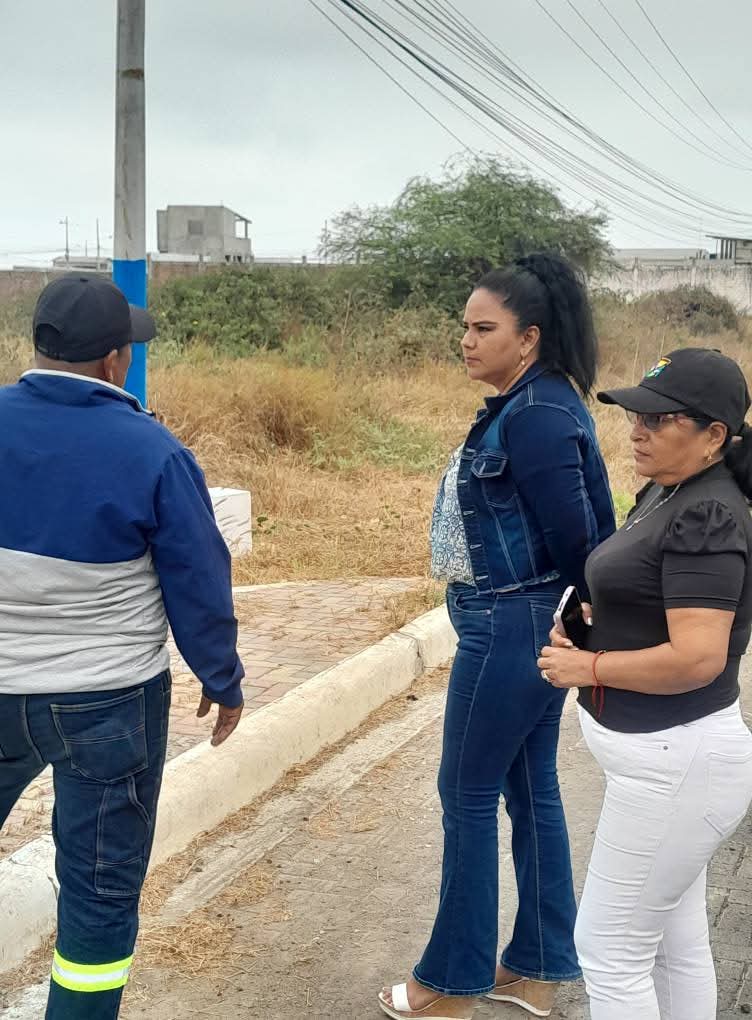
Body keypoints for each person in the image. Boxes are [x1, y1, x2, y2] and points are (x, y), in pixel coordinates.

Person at [0, 275, 245, 1020]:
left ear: (38, 346)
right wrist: (221, 677)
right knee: (99, 894)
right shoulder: (153, 451)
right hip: (108, 701)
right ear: (115, 361)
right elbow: (197, 578)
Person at [379, 253, 616, 1020]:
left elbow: (580, 537)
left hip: (510, 620)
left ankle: (452, 982)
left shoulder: (538, 414)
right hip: (522, 618)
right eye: (465, 327)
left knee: (467, 792)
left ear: (529, 338)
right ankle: (541, 967)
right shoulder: (533, 402)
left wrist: (573, 631)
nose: (466, 340)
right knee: (527, 785)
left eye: (484, 328)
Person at [539, 347, 752, 1019]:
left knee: (609, 950)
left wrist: (590, 667)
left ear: (713, 435)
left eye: (659, 420)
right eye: (636, 415)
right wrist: (597, 624)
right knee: (669, 945)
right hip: (668, 767)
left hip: (677, 766)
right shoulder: (670, 489)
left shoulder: (708, 515)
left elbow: (697, 657)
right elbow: (658, 596)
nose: (637, 430)